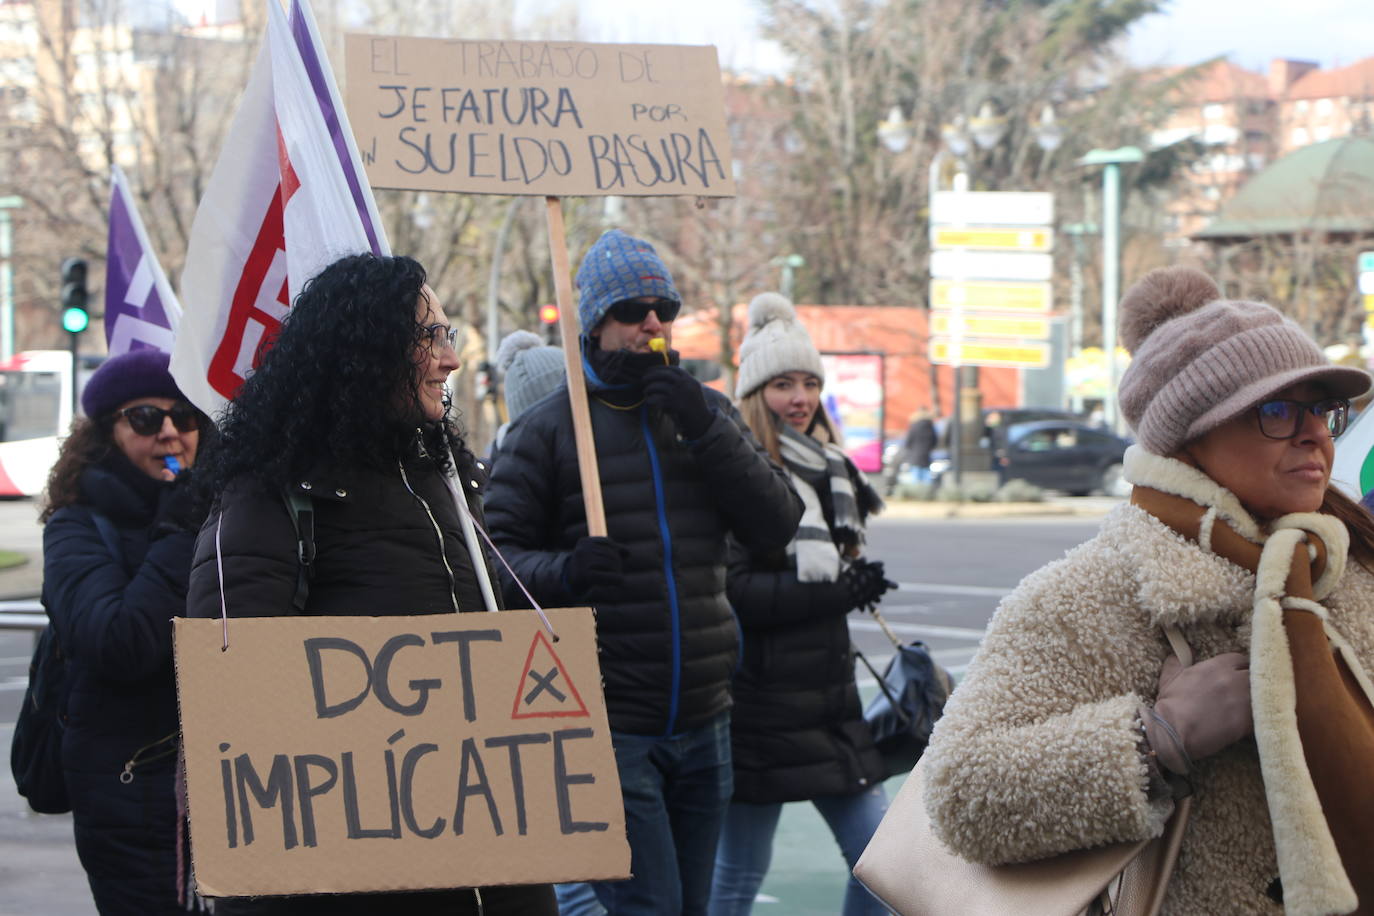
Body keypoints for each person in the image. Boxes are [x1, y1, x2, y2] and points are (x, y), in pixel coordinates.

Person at [921, 266, 1374, 914]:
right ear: (1190, 438)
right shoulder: (1098, 591)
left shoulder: (1344, 559)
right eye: (1277, 410)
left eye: (1323, 410)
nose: (1315, 435)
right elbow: (960, 792)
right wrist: (1158, 739)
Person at [185, 253, 557, 916]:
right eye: (431, 337)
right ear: (365, 352)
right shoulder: (269, 501)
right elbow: (238, 729)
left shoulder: (448, 484)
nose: (449, 359)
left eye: (450, 336)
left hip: (491, 862)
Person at [483, 229, 802, 916]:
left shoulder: (705, 414)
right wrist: (567, 573)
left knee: (691, 906)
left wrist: (704, 425)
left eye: (664, 308)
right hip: (609, 724)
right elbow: (493, 564)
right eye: (633, 309)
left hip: (707, 718)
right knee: (648, 908)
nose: (652, 323)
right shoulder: (546, 431)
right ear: (597, 323)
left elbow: (776, 525)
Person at [708, 293, 893, 916]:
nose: (800, 397)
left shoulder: (834, 471)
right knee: (735, 880)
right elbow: (734, 591)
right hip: (758, 708)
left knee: (887, 865)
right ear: (755, 393)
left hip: (828, 704)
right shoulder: (736, 472)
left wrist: (853, 583)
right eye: (783, 383)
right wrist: (835, 592)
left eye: (810, 382)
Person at [39, 348, 208, 915]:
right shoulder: (76, 526)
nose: (169, 432)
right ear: (107, 432)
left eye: (184, 417)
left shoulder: (214, 510)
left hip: (224, 787)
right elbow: (120, 641)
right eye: (145, 418)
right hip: (131, 795)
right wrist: (181, 529)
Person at [898, 408, 937, 484]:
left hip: (915, 454)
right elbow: (934, 440)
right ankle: (926, 491)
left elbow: (908, 441)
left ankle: (916, 492)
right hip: (926, 454)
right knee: (926, 476)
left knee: (915, 476)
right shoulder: (930, 427)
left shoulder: (914, 426)